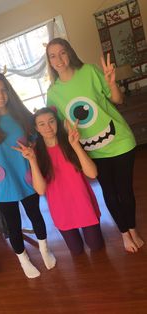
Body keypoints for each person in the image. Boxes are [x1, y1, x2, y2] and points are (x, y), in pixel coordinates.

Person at [45, 37, 144, 253]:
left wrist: (111, 84)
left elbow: (117, 100)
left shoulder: (89, 71)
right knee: (109, 193)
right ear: (50, 62)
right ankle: (124, 233)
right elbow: (55, 126)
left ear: (69, 52)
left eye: (62, 52)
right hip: (93, 150)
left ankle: (133, 229)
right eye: (53, 56)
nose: (59, 59)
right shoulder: (53, 93)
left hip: (120, 141)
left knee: (125, 191)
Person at [0, 72, 56, 278]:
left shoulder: (22, 116)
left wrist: (31, 149)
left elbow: (35, 141)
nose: (0, 95)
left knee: (36, 215)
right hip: (2, 185)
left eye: (3, 90)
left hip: (27, 178)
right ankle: (23, 259)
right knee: (14, 226)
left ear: (9, 91)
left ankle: (45, 250)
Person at [13, 107, 104, 255]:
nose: (48, 127)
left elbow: (92, 173)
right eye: (42, 124)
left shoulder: (70, 142)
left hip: (83, 203)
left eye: (51, 121)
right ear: (36, 128)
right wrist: (32, 161)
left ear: (57, 122)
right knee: (76, 250)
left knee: (96, 246)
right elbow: (41, 190)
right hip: (61, 209)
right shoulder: (35, 153)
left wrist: (75, 145)